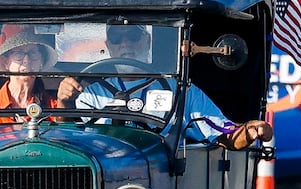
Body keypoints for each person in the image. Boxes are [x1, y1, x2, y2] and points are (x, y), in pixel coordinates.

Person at [75, 23, 270, 149]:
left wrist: (251, 130)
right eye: (117, 39)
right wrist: (63, 102)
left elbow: (224, 134)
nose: (125, 44)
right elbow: (72, 140)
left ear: (147, 40)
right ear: (109, 45)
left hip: (163, 185)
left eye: (133, 36)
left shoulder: (179, 91)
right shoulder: (92, 95)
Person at [0, 25, 80, 127]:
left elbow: (64, 138)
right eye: (19, 53)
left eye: (33, 53)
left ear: (41, 61)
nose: (27, 60)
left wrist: (63, 102)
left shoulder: (54, 106)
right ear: (6, 62)